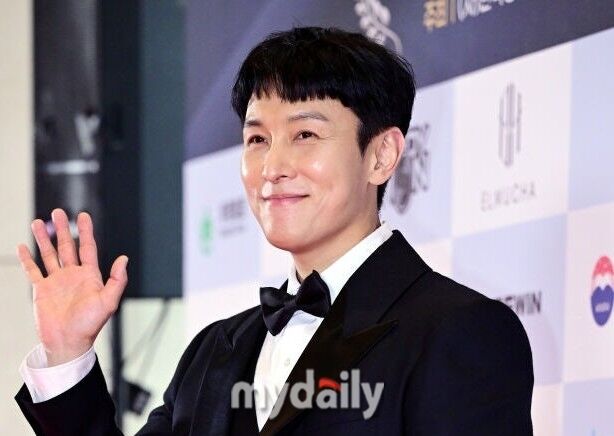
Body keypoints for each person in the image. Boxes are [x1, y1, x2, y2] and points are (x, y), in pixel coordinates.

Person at [15, 27, 534, 435]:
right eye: (257, 139)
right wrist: (68, 353)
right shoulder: (212, 350)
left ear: (381, 155)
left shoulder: (459, 331)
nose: (273, 167)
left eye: (305, 134)